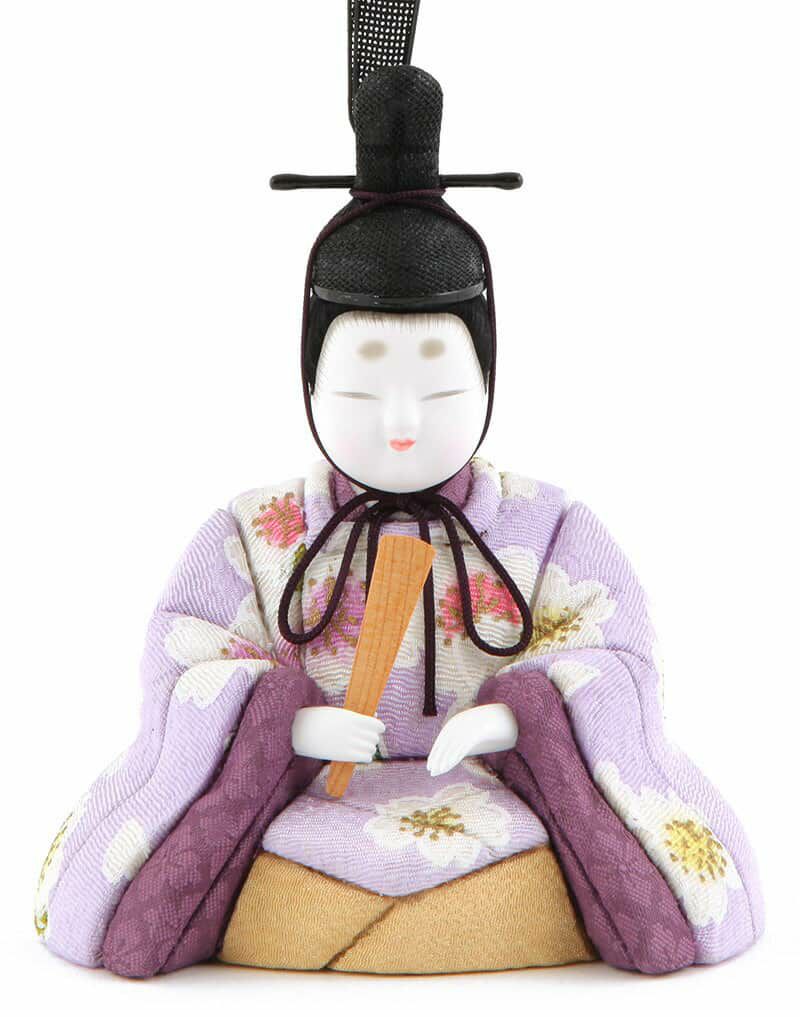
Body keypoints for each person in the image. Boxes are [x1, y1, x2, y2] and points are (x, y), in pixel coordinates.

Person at [36, 24, 762, 980]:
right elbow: (185, 659)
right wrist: (280, 721)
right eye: (363, 389)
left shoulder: (548, 528)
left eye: (441, 386)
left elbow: (617, 656)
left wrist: (523, 715)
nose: (404, 423)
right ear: (308, 382)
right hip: (302, 804)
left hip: (502, 797)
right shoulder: (253, 535)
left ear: (490, 377)